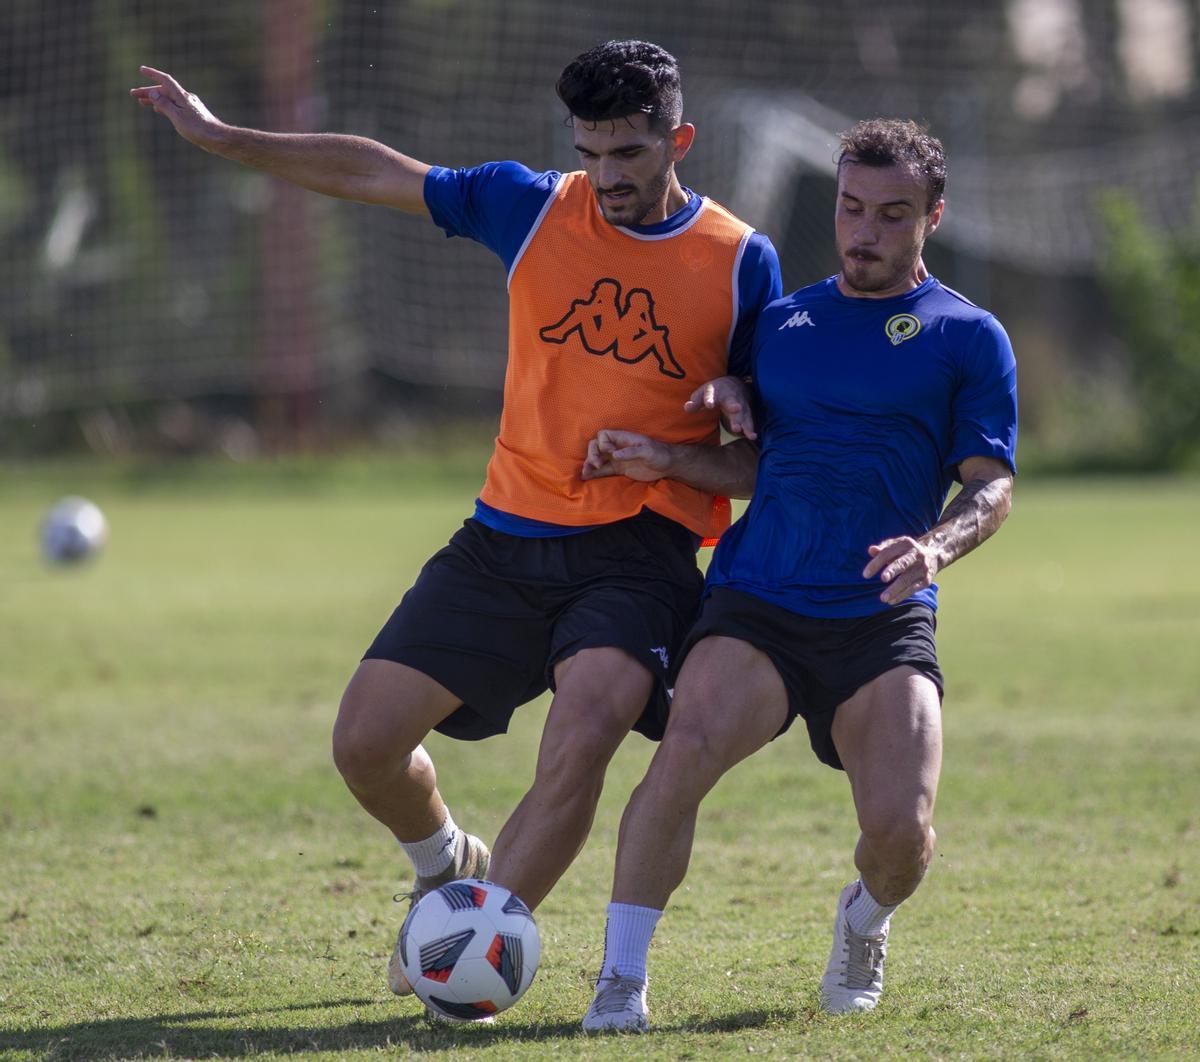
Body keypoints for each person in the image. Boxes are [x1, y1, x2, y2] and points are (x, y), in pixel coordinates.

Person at [131, 40, 781, 1007]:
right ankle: (446, 865)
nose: (606, 177)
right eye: (591, 152)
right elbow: (372, 168)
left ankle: (469, 951)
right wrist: (224, 139)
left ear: (676, 140)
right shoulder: (531, 206)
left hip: (638, 553)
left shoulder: (740, 262)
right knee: (365, 743)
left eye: (630, 156)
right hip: (503, 536)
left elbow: (767, 450)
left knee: (586, 732)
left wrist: (717, 413)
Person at [577, 118, 1017, 1032]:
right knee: (679, 762)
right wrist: (668, 454)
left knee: (901, 836)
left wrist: (933, 547)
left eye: (892, 216)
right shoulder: (781, 321)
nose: (864, 232)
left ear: (933, 216)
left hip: (882, 613)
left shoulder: (970, 337)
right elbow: (757, 464)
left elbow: (992, 486)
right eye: (853, 208)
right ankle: (620, 982)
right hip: (759, 603)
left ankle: (863, 921)